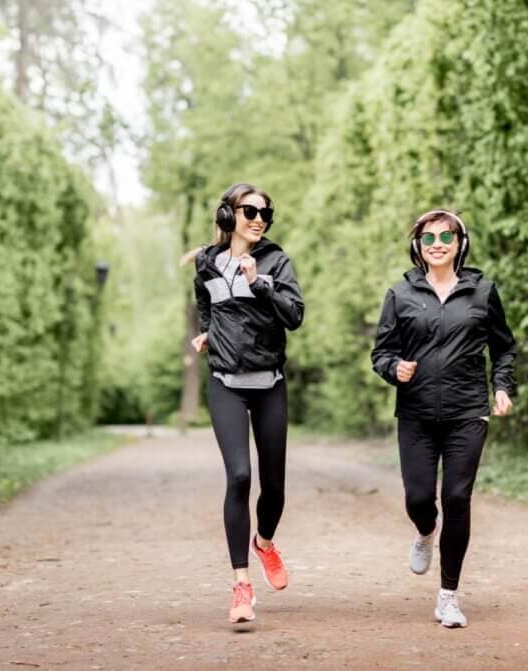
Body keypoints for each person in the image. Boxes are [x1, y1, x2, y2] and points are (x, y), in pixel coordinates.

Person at [371, 209, 516, 628]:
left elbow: (503, 348)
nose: (437, 243)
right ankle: (424, 532)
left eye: (445, 237)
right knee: (419, 499)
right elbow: (381, 353)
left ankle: (448, 596)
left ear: (459, 244)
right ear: (417, 246)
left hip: (467, 411)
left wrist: (502, 386)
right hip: (415, 413)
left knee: (456, 498)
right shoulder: (399, 294)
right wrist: (393, 368)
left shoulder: (483, 292)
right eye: (428, 237)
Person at [189, 183, 304, 624]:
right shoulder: (206, 263)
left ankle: (266, 543)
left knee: (273, 488)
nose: (259, 219)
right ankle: (241, 585)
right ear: (228, 214)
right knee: (239, 475)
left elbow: (295, 315)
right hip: (225, 382)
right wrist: (207, 334)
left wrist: (261, 283)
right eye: (250, 210)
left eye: (265, 214)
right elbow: (207, 305)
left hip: (269, 382)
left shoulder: (277, 260)